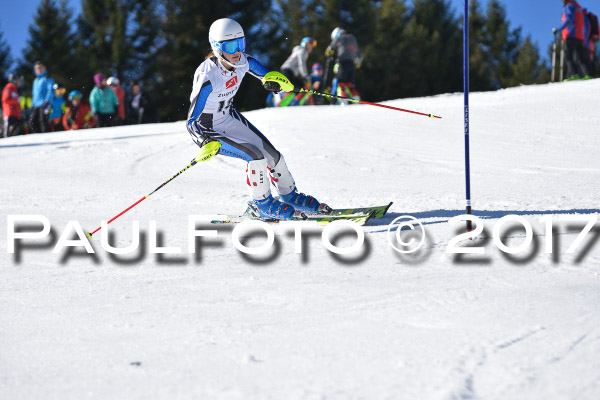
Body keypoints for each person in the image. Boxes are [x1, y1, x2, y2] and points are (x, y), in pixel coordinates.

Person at [187, 18, 327, 220]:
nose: (237, 51)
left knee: (274, 156)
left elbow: (267, 76)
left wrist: (277, 83)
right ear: (217, 47)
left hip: (229, 117)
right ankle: (260, 204)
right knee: (255, 156)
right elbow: (192, 121)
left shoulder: (243, 61)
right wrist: (203, 142)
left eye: (241, 43)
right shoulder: (207, 75)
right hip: (209, 129)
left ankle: (289, 196)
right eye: (231, 46)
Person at [553, 0, 590, 80]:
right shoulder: (578, 8)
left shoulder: (569, 6)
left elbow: (569, 19)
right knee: (578, 57)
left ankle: (572, 75)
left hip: (571, 34)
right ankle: (585, 75)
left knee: (569, 56)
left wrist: (558, 29)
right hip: (580, 36)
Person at [325, 27, 362, 102]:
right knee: (350, 85)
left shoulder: (340, 37)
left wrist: (330, 49)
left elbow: (333, 44)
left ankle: (343, 100)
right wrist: (359, 61)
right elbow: (359, 53)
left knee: (341, 83)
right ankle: (356, 98)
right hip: (352, 64)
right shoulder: (352, 38)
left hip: (342, 63)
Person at [30, 61, 55, 133]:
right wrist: (32, 104)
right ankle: (37, 137)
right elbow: (34, 94)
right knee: (32, 121)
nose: (39, 69)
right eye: (36, 68)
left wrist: (47, 101)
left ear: (44, 68)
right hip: (36, 104)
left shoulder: (48, 78)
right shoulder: (35, 81)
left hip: (44, 103)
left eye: (40, 67)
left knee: (43, 120)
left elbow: (50, 90)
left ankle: (46, 137)